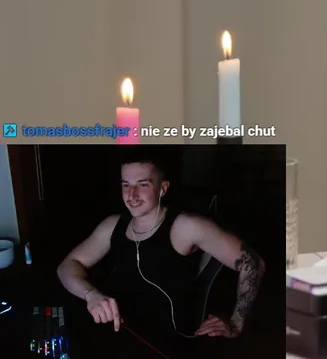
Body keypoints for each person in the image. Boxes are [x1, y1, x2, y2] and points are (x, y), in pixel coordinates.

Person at [55, 150, 265, 356]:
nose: (131, 195)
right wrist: (91, 295)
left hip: (156, 341)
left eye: (143, 184)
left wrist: (236, 322)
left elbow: (253, 263)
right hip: (113, 326)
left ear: (163, 188)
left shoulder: (186, 226)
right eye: (125, 184)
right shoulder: (113, 225)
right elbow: (67, 265)